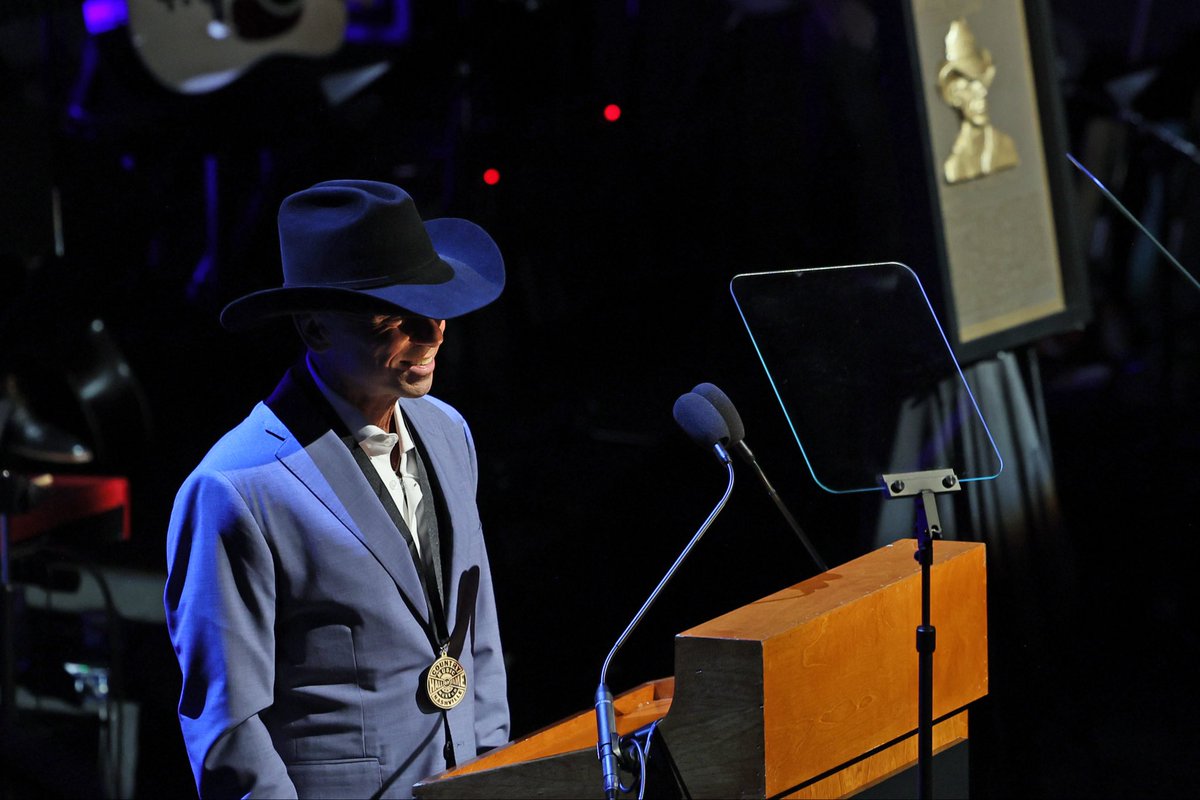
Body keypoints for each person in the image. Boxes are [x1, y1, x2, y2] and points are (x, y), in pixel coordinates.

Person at [164, 179, 511, 799]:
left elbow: (476, 634)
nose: (433, 333)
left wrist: (496, 779)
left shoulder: (448, 431)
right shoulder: (234, 488)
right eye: (394, 319)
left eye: (434, 305)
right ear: (316, 330)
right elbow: (228, 729)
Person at [936, 17, 1019, 185]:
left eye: (981, 83)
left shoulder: (1005, 146)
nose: (981, 93)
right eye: (968, 85)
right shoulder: (956, 164)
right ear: (955, 95)